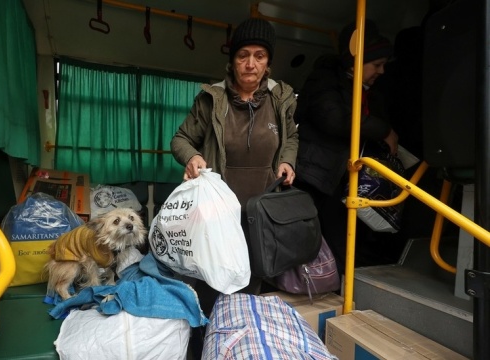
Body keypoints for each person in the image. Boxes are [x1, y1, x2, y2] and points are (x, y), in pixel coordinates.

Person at [170, 18, 299, 316]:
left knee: (254, 276)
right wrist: (192, 156)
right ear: (232, 61)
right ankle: (206, 334)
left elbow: (291, 136)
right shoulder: (211, 99)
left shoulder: (281, 98)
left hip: (261, 210)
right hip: (218, 212)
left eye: (259, 56)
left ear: (268, 63)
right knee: (212, 278)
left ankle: (241, 331)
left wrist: (287, 160)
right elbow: (181, 139)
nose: (250, 64)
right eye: (243, 55)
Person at [293, 19, 400, 274]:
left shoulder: (365, 91)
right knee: (317, 242)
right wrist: (384, 131)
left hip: (343, 177)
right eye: (377, 65)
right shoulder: (325, 78)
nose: (382, 72)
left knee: (342, 243)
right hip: (316, 176)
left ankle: (339, 290)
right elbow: (335, 119)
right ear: (357, 60)